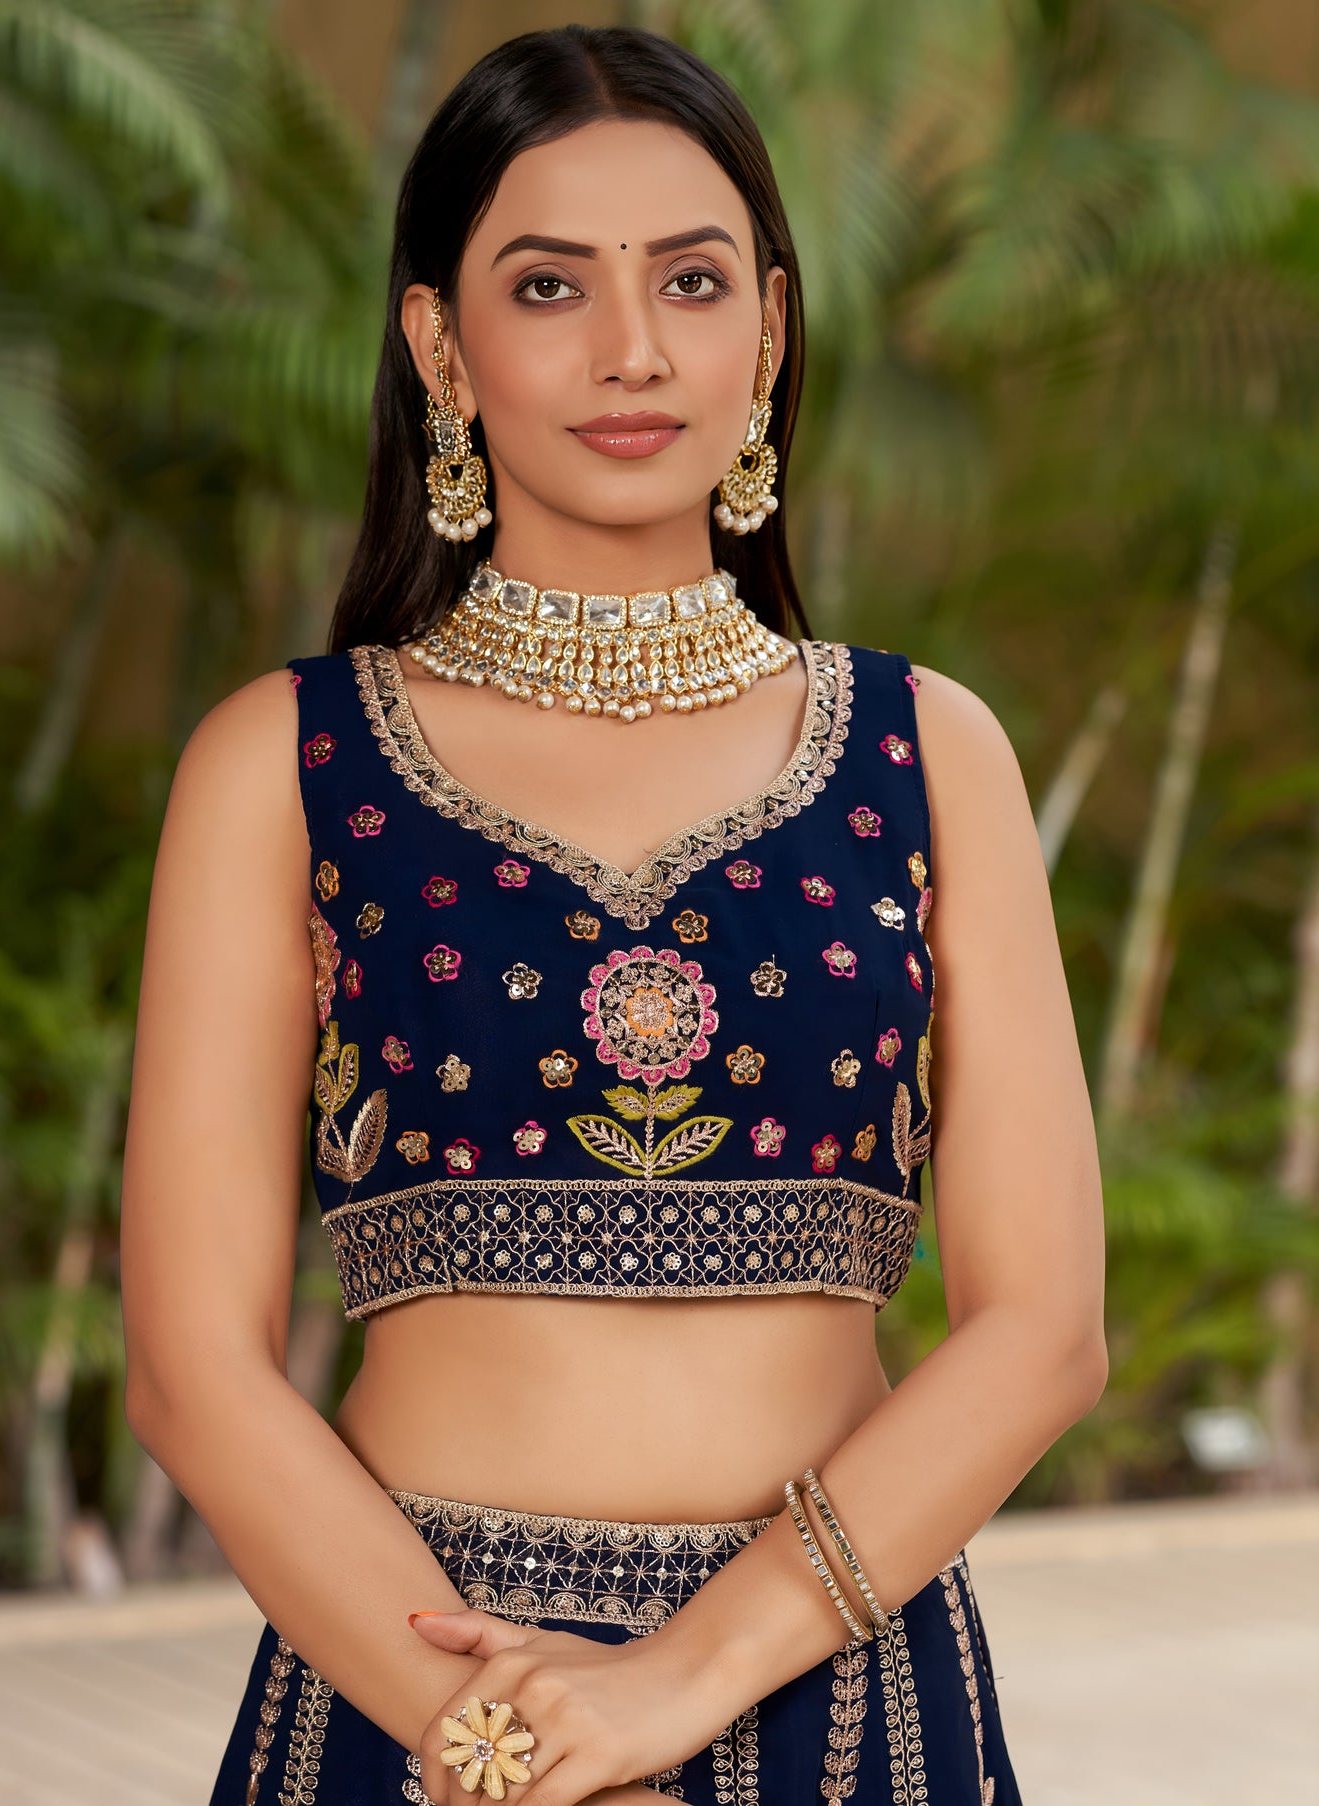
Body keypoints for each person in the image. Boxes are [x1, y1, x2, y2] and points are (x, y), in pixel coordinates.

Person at [120, 23, 1106, 1806]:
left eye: (693, 281)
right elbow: (194, 1368)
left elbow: (1041, 1329)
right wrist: (498, 1745)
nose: (632, 349)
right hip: (412, 1690)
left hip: (838, 1692)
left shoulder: (920, 750)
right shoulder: (289, 763)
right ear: (441, 343)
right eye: (550, 284)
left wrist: (676, 1682)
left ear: (770, 331)